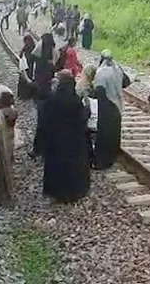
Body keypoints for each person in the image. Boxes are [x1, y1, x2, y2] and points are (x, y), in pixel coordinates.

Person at [40, 70, 91, 203]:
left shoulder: (52, 100)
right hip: (74, 143)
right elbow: (82, 120)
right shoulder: (76, 101)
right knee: (73, 168)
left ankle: (57, 194)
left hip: (56, 142)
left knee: (57, 168)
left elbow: (44, 122)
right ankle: (73, 193)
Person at [92, 50, 124, 170]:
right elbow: (126, 82)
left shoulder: (101, 72)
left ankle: (102, 160)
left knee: (104, 132)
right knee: (115, 132)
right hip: (117, 104)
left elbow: (98, 91)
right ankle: (114, 155)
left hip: (106, 106)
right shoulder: (117, 69)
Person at [31, 33, 58, 158]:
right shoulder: (54, 49)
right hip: (49, 87)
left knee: (41, 123)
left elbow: (33, 56)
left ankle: (37, 149)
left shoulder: (40, 46)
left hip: (40, 86)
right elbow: (56, 63)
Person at [17, 34, 37, 100]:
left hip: (26, 67)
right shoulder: (35, 48)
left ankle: (23, 95)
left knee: (24, 81)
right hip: (31, 67)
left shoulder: (25, 49)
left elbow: (21, 57)